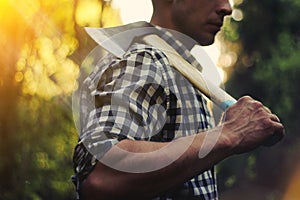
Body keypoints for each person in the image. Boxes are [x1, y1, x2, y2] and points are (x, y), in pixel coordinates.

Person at [72, 0, 285, 199]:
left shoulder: (182, 73)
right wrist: (229, 134)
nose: (226, 8)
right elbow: (102, 175)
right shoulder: (145, 61)